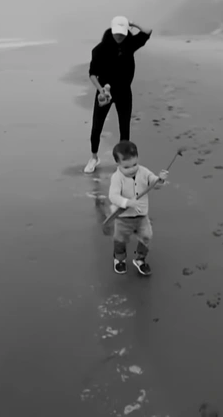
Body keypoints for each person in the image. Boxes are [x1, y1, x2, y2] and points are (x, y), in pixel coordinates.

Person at [84, 15, 153, 174]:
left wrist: (133, 23)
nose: (119, 37)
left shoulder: (130, 44)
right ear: (112, 30)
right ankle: (94, 158)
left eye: (122, 33)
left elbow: (148, 32)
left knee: (124, 128)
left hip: (124, 92)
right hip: (104, 93)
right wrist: (100, 89)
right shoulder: (99, 49)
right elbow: (92, 74)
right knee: (97, 127)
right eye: (117, 33)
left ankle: (124, 162)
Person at [107, 140, 169, 275]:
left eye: (135, 164)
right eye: (127, 167)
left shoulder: (144, 171)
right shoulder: (117, 178)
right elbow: (113, 196)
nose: (132, 169)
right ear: (118, 164)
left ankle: (140, 259)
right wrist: (127, 202)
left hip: (141, 216)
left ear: (138, 159)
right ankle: (119, 260)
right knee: (120, 240)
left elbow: (154, 184)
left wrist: (161, 179)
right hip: (123, 218)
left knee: (146, 237)